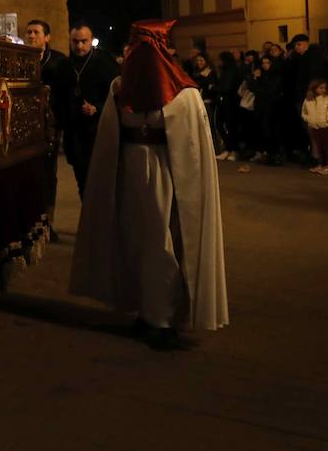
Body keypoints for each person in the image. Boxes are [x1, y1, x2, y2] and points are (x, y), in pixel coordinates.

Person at [69, 19, 228, 350]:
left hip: (166, 175)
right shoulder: (118, 87)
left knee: (162, 240)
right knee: (134, 238)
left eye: (145, 48)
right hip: (128, 172)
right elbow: (110, 137)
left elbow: (192, 149)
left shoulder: (184, 95)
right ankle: (145, 309)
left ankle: (164, 317)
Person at [59, 21, 119, 197]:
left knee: (100, 182)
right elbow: (58, 97)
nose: (79, 45)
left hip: (98, 132)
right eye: (75, 41)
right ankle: (88, 221)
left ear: (91, 40)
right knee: (82, 181)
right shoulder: (64, 66)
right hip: (74, 134)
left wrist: (97, 108)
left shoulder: (103, 64)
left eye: (84, 41)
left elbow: (115, 94)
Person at [24, 19, 66, 237]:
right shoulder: (19, 57)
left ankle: (49, 221)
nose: (31, 36)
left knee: (48, 173)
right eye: (29, 32)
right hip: (25, 125)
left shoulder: (58, 61)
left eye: (36, 32)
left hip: (49, 125)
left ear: (47, 37)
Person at [302, 79, 328, 175]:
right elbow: (304, 112)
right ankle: (321, 165)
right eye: (321, 88)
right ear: (314, 88)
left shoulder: (327, 99)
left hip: (325, 127)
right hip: (314, 126)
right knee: (319, 147)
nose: (323, 90)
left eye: (324, 88)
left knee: (327, 146)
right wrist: (308, 119)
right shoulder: (308, 100)